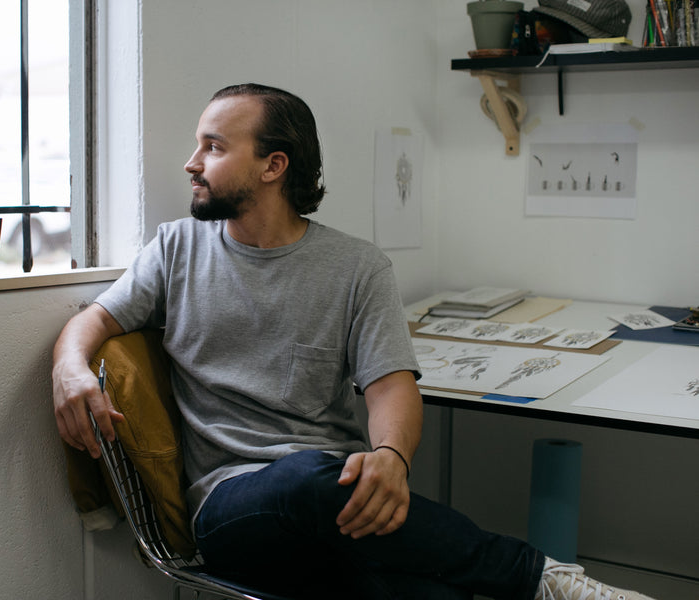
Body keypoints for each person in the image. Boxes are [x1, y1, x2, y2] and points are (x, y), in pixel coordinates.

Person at [52, 83, 656, 600]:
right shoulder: (176, 247)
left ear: (273, 165)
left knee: (427, 587)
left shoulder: (357, 267)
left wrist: (391, 459)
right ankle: (538, 577)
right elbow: (95, 321)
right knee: (313, 477)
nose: (192, 162)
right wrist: (71, 369)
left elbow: (391, 386)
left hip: (338, 505)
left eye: (213, 146)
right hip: (233, 505)